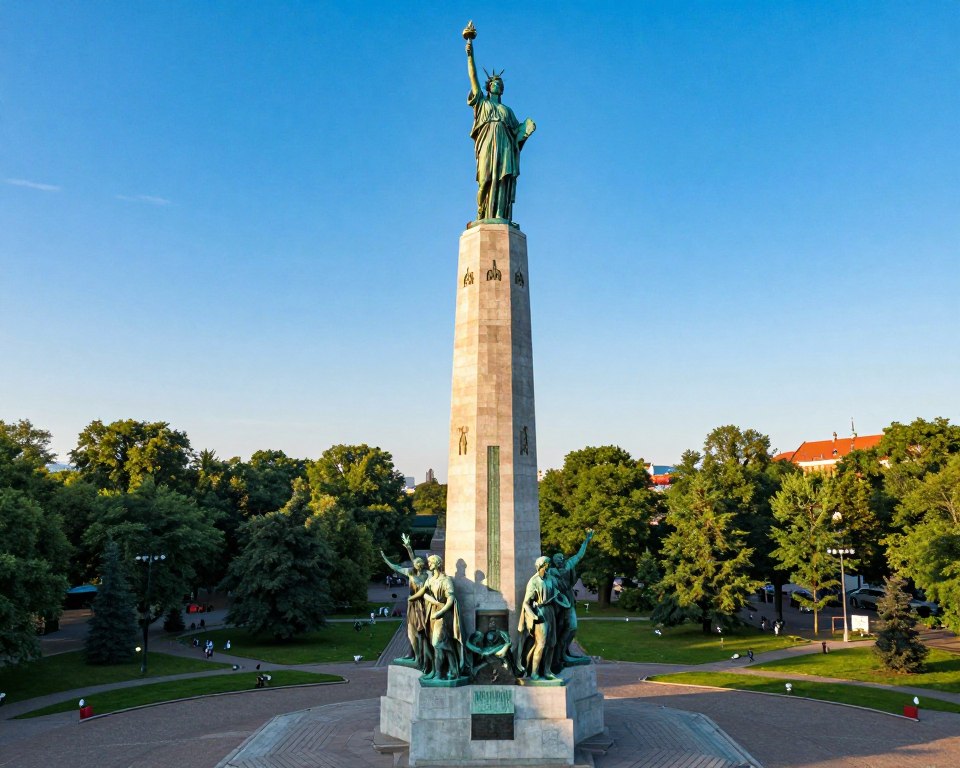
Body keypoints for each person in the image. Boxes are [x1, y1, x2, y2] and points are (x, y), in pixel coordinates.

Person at [465, 29, 535, 221]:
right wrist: (470, 53)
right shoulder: (482, 104)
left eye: (499, 82)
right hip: (488, 142)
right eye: (494, 82)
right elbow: (473, 79)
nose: (496, 84)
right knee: (486, 179)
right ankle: (481, 211)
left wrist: (526, 131)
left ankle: (499, 214)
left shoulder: (508, 111)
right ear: (488, 87)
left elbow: (516, 137)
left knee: (502, 179)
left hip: (504, 146)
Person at [409, 555, 465, 681]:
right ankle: (452, 669)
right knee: (442, 644)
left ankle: (439, 673)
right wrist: (412, 598)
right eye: (428, 562)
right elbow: (423, 594)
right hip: (432, 614)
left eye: (431, 562)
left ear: (438, 564)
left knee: (437, 644)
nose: (428, 564)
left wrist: (441, 611)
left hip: (443, 616)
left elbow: (450, 599)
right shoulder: (430, 579)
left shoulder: (445, 580)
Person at [381, 533, 429, 669]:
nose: (417, 565)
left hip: (423, 605)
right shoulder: (411, 572)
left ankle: (421, 655)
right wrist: (386, 560)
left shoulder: (427, 575)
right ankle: (412, 653)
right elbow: (396, 567)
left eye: (419, 564)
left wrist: (409, 549)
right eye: (416, 563)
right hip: (412, 604)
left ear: (422, 565)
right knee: (410, 630)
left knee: (422, 631)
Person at [518, 555, 568, 680]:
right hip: (540, 612)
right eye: (547, 564)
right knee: (541, 643)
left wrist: (558, 597)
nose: (549, 566)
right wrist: (533, 615)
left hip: (550, 611)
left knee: (552, 643)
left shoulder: (551, 579)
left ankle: (547, 670)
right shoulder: (534, 581)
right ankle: (534, 672)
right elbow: (525, 602)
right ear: (542, 565)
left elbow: (560, 591)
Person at [549, 529, 594, 668]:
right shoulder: (551, 572)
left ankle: (563, 652)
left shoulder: (568, 565)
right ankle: (560, 655)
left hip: (568, 601)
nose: (561, 561)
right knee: (561, 627)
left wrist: (586, 541)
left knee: (572, 627)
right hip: (557, 602)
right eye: (558, 560)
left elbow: (579, 555)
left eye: (562, 558)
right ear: (555, 562)